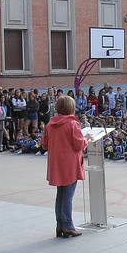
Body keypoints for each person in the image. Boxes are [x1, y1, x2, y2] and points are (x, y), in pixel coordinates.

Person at [44, 94, 87, 238]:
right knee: (67, 196)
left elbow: (44, 144)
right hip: (69, 164)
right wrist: (86, 139)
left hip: (56, 164)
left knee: (60, 195)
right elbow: (79, 144)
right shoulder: (73, 124)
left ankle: (60, 225)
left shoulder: (50, 124)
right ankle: (68, 226)